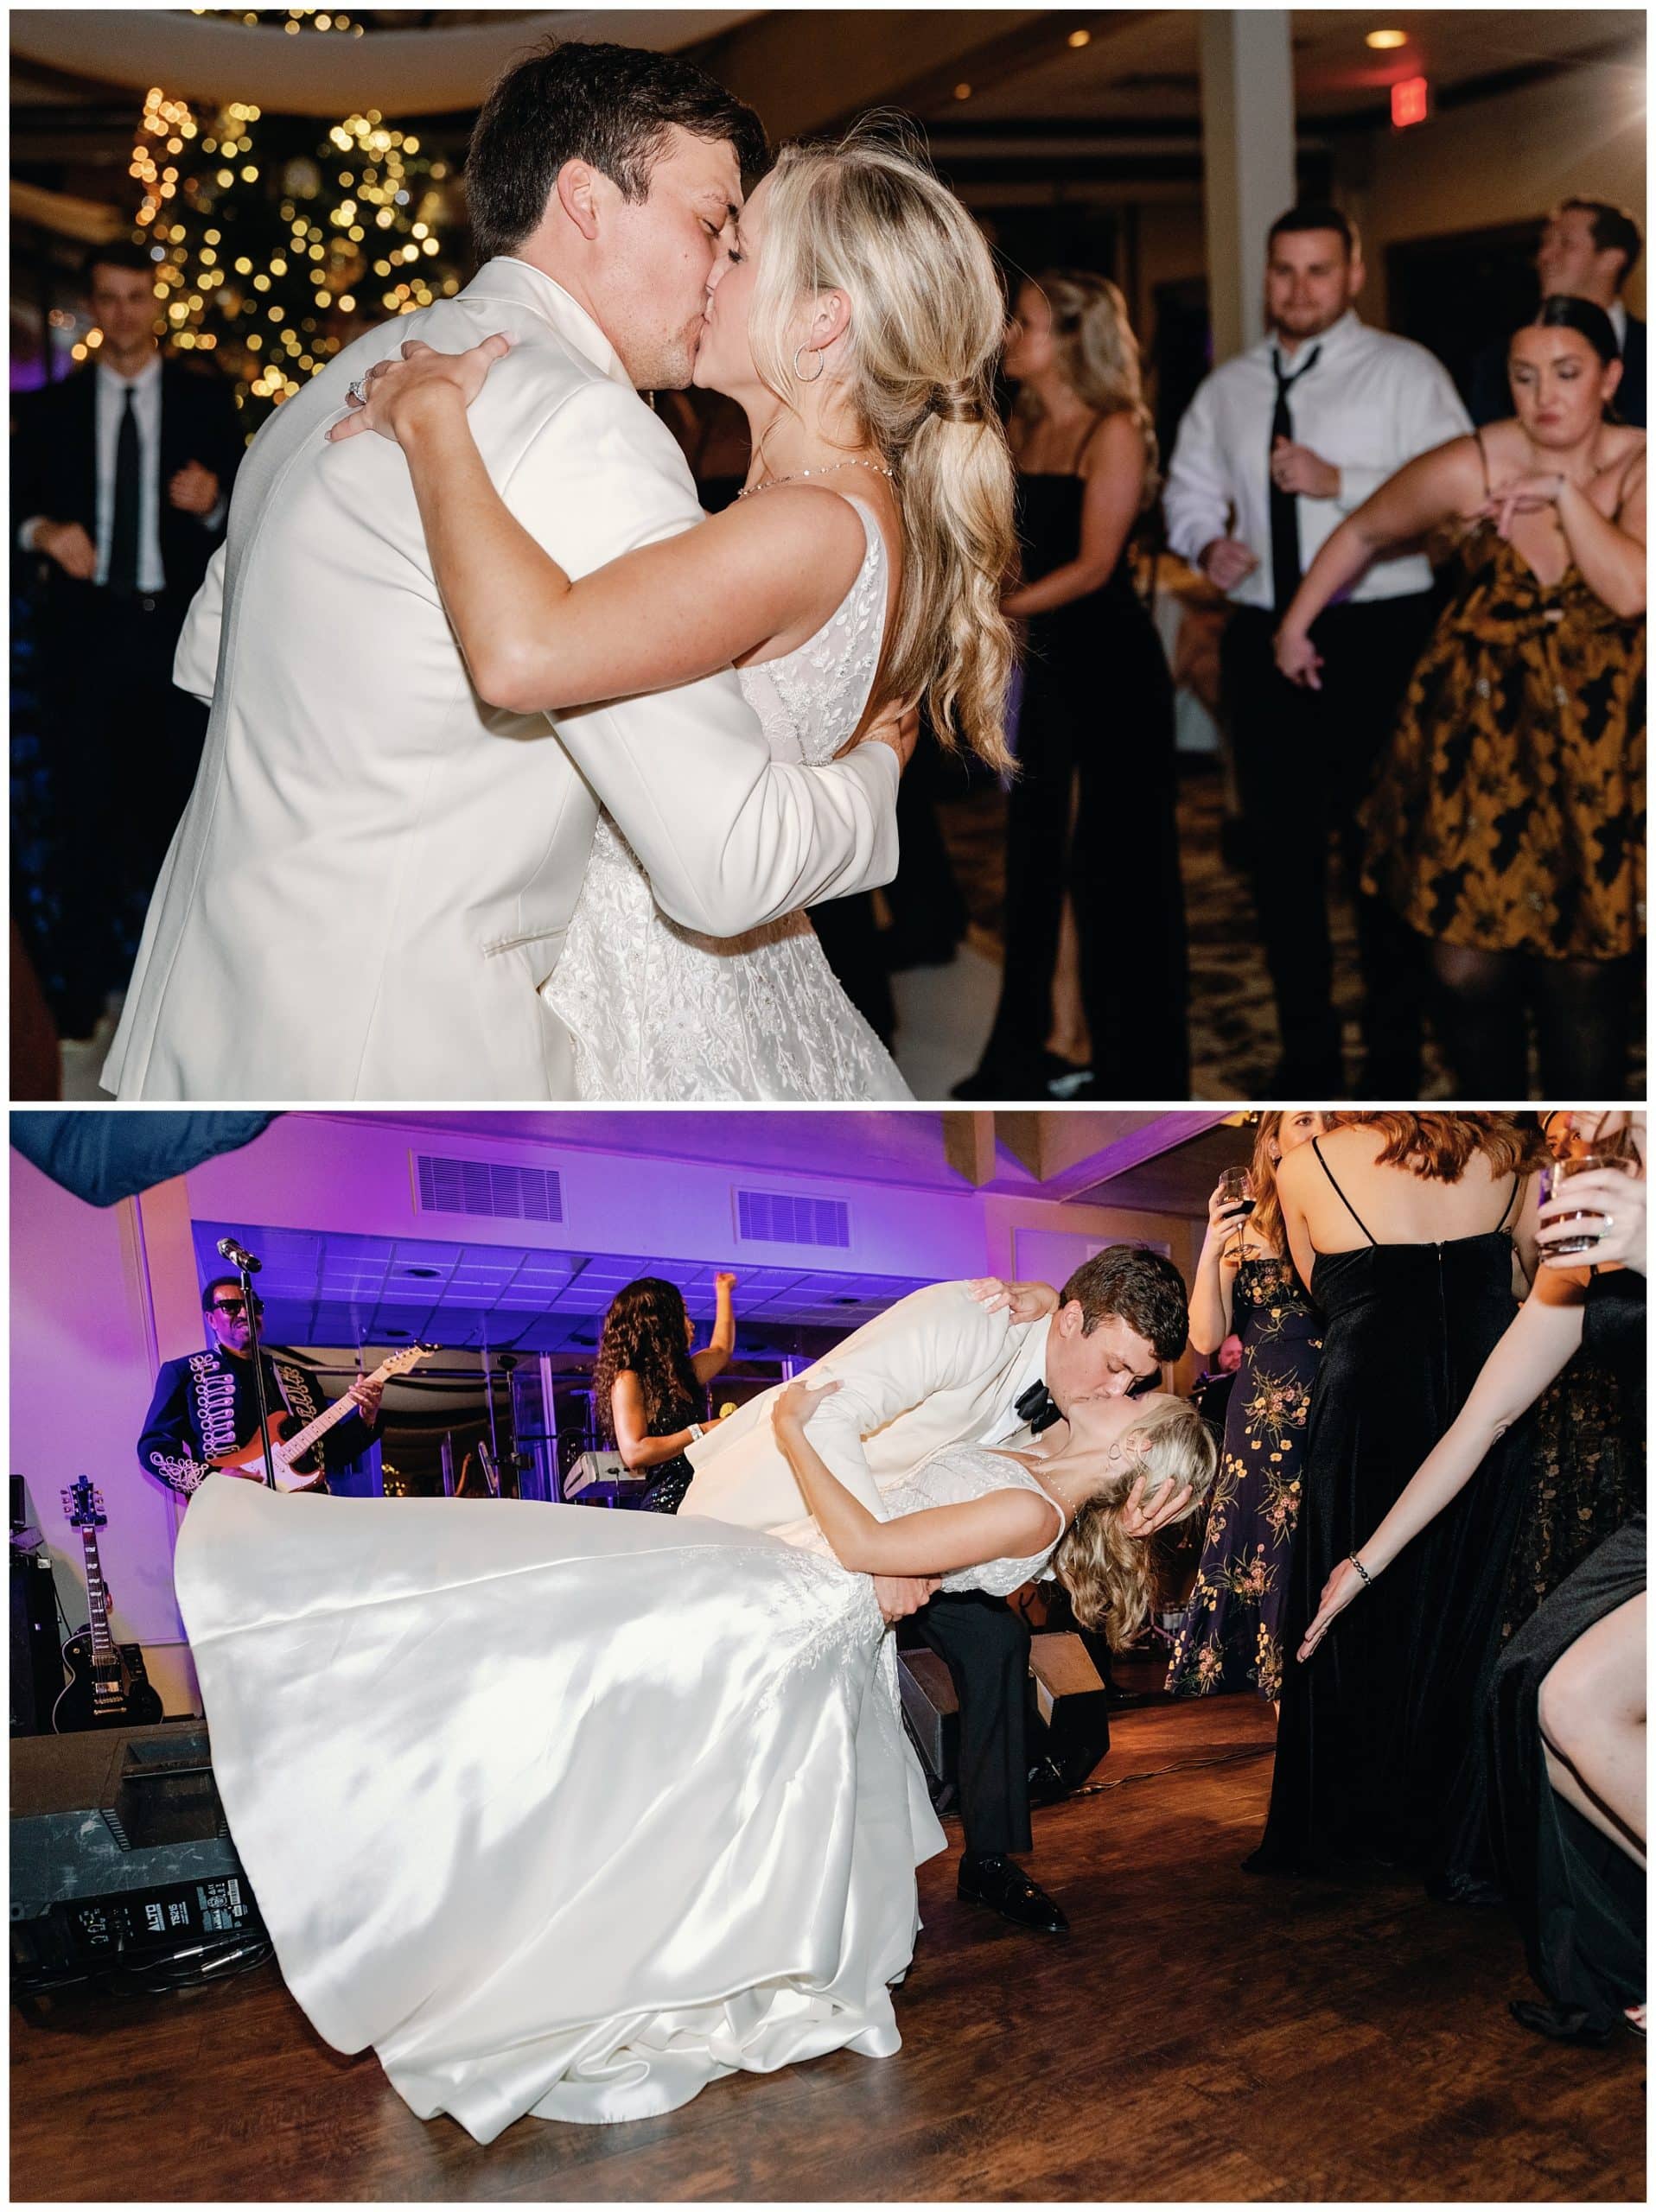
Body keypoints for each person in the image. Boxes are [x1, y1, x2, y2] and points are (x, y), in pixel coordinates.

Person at [102, 41, 913, 1103]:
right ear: (584, 200)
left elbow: (214, 660)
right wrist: (872, 776)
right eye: (710, 223)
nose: (720, 268)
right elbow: (722, 864)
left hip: (196, 1009)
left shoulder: (352, 369)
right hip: (392, 1043)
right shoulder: (588, 425)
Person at [170, 1318, 1215, 2139]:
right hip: (789, 1584)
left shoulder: (1033, 1514)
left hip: (802, 1600)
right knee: (586, 1683)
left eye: (1139, 1400)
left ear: (1139, 1470)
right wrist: (1036, 1305)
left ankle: (568, 1944)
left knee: (621, 1731)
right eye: (1127, 1377)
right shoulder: (1031, 1459)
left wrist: (799, 1430)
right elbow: (1000, 1395)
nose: (1121, 1390)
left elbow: (864, 1540)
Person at [328, 121, 1019, 1103]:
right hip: (718, 965)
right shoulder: (843, 504)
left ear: (819, 320)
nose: (707, 272)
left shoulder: (807, 523)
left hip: (666, 992)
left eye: (737, 252)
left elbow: (523, 650)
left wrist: (432, 419)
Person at [684, 1252, 1194, 1935]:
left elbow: (1053, 1505)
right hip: (789, 1507)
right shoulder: (969, 1321)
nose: (1118, 1389)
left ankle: (989, 1858)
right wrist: (885, 1562)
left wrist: (1130, 1515)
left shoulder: (1075, 1399)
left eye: (1137, 1379)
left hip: (906, 1533)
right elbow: (832, 1416)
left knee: (998, 1640)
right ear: (1072, 1319)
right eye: (1116, 1366)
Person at [1300, 1118, 1645, 2040]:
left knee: (1576, 1698)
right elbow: (1479, 1419)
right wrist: (1363, 1562)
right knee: (1524, 1699)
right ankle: (1630, 1963)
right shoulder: (1584, 1234)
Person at [1279, 298, 1646, 1096]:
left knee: (1583, 976)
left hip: (1602, 753)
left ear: (1612, 377)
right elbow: (1365, 532)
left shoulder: (1643, 465)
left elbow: (1628, 589)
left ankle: (1582, 1156)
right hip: (1478, 741)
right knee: (1463, 969)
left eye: (1567, 373)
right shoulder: (1473, 461)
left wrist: (1562, 492)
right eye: (1523, 376)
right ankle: (1497, 1138)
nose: (1543, 394)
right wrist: (1295, 626)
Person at [1163, 204, 1471, 1093]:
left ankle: (1391, 1061)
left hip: (1381, 630)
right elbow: (1188, 489)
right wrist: (1202, 543)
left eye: (1317, 271)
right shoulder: (1229, 389)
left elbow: (1458, 495)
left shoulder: (1406, 373)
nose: (1297, 288)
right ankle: (1306, 1059)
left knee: (1384, 859)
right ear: (1266, 277)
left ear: (1353, 274)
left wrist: (1343, 484)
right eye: (1283, 271)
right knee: (1279, 860)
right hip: (1263, 631)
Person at [1247, 1112, 1545, 1877]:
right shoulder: (1508, 1152)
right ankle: (1452, 1828)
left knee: (1355, 1601)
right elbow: (1533, 1279)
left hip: (1370, 1398)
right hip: (1488, 1388)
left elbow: (1328, 1294)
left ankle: (1354, 1829)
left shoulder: (1307, 1164)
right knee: (1471, 1602)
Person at [954, 270, 1188, 1100]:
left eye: (1026, 324)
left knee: (1106, 862)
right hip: (1048, 664)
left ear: (1072, 339)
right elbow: (1015, 545)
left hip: (1111, 667)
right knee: (1040, 852)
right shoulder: (1021, 422)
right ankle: (1051, 1034)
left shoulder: (1114, 429)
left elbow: (1093, 568)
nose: (1010, 336)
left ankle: (1113, 1049)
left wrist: (989, 607)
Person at [11, 242, 242, 1046]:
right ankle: (77, 1010)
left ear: (156, 303)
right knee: (81, 824)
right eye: (107, 298)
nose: (121, 314)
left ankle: (176, 1004)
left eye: (135, 296)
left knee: (180, 824)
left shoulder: (207, 405)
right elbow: (16, 508)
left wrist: (215, 503)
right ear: (94, 306)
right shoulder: (46, 409)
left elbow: (250, 520)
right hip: (85, 642)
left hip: (175, 643)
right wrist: (42, 530)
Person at [1167, 1110, 1324, 1703]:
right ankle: (1285, 1705)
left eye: (1327, 1120)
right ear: (1272, 1141)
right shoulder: (1246, 1228)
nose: (1318, 1130)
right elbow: (1207, 1338)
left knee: (1319, 1547)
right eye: (1304, 1120)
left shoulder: (1343, 1210)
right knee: (1272, 1553)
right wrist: (1211, 1245)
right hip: (1261, 1409)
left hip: (1332, 1393)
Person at [137, 1275, 384, 1497]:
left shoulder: (300, 1378)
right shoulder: (185, 1372)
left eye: (253, 1306)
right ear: (211, 1319)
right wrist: (211, 1480)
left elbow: (333, 1452)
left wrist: (367, 1419)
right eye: (231, 1307)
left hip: (305, 1510)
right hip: (234, 1513)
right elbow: (153, 1447)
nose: (245, 1313)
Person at [1470, 199, 1646, 430]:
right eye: (1544, 243)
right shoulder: (1496, 361)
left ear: (1611, 260)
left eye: (1566, 244)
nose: (1544, 256)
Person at [593, 1272, 737, 1512]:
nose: (690, 1323)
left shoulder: (681, 1375)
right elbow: (634, 1452)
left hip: (702, 1500)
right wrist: (702, 1430)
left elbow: (721, 1350)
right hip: (669, 1510)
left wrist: (723, 1292)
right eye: (683, 1314)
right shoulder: (629, 1379)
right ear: (658, 1322)